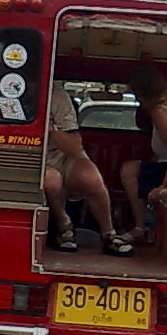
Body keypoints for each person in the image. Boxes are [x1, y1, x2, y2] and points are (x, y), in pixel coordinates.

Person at [43, 81, 120, 253]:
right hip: (29, 158)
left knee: (91, 179)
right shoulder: (4, 90)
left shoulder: (56, 94)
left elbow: (74, 147)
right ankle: (65, 226)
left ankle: (109, 233)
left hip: (61, 154)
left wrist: (49, 128)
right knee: (52, 180)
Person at [119, 64, 167, 251]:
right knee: (136, 168)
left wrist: (165, 186)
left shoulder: (160, 113)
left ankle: (140, 227)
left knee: (128, 170)